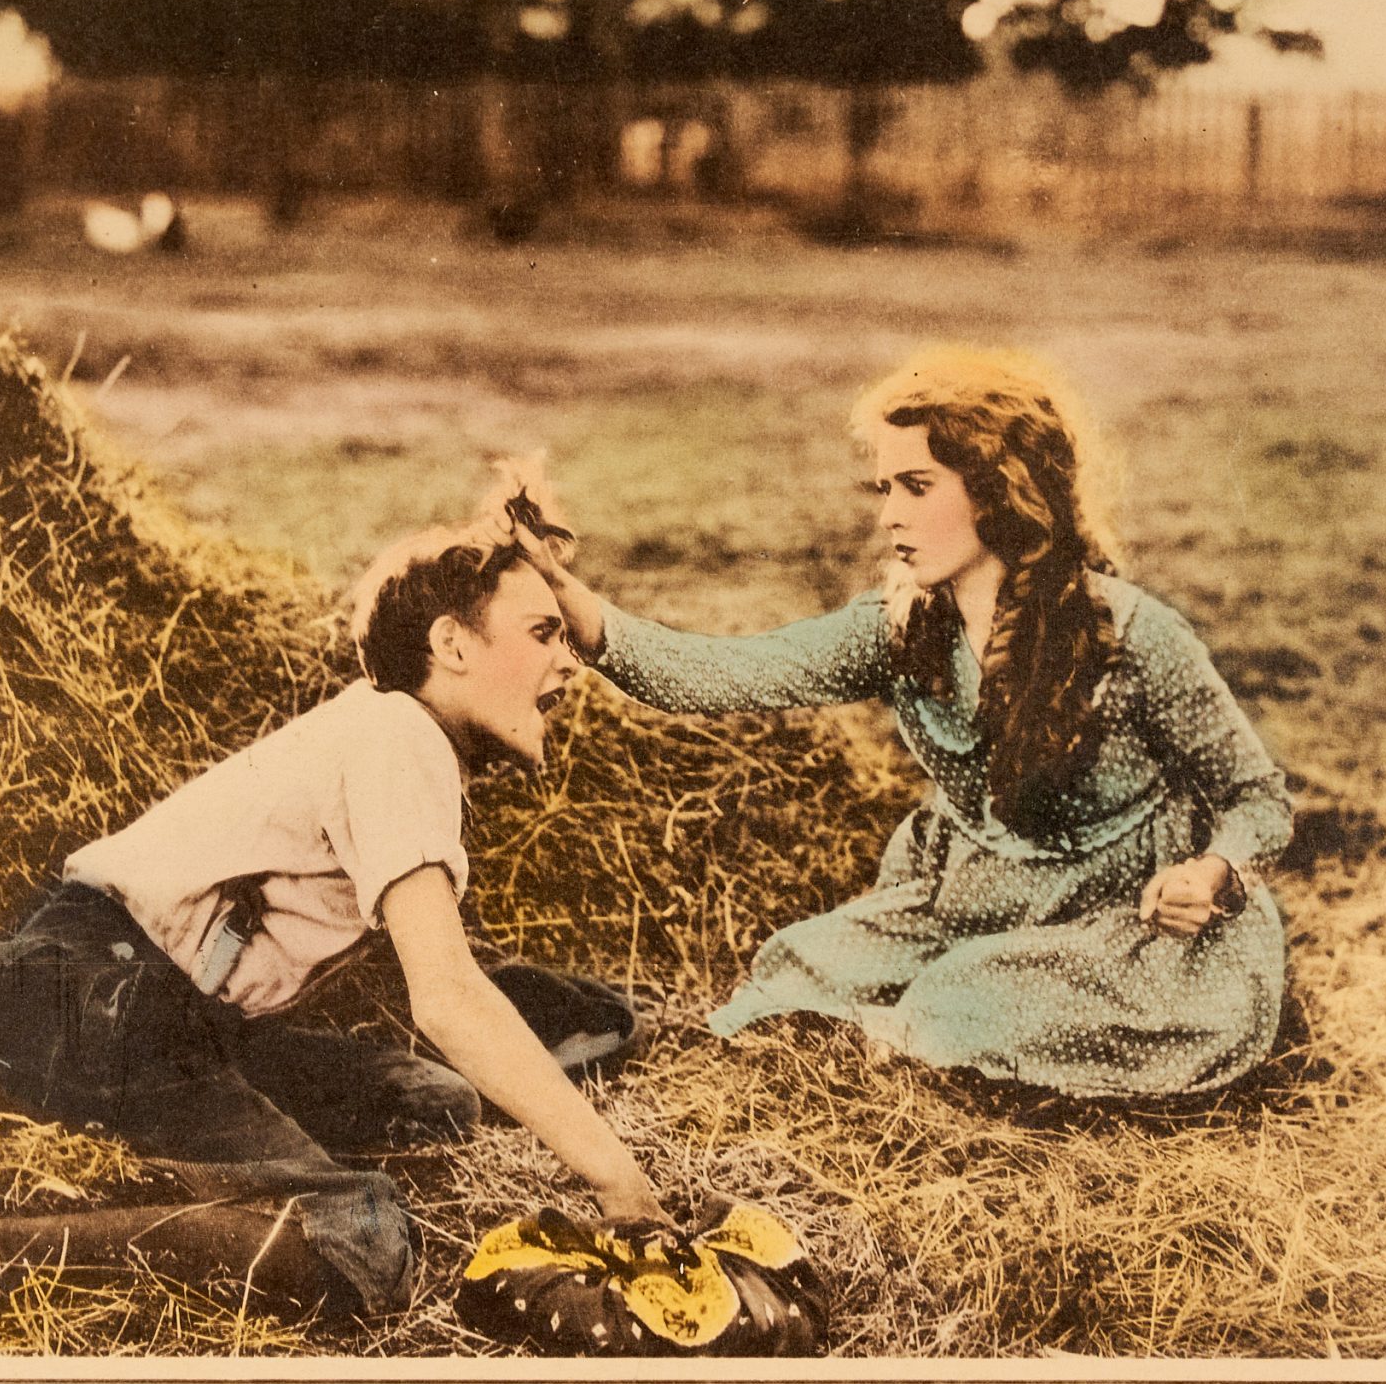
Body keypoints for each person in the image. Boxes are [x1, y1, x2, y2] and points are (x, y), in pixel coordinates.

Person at [0, 475, 666, 1352]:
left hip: (123, 996)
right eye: (544, 634)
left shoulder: (389, 731)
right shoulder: (402, 740)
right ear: (451, 643)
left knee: (430, 1107)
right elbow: (446, 995)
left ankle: (213, 1188)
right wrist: (616, 1176)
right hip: (95, 994)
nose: (570, 662)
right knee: (366, 1242)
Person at [521, 345, 1294, 1099]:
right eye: (883, 487)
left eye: (917, 486)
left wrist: (1213, 872)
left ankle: (935, 1030)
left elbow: (1258, 797)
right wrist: (572, 599)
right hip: (972, 897)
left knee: (963, 995)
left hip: (1124, 922)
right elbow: (728, 673)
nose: (889, 515)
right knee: (797, 965)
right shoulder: (901, 625)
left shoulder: (1130, 634)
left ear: (1000, 489)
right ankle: (913, 1027)